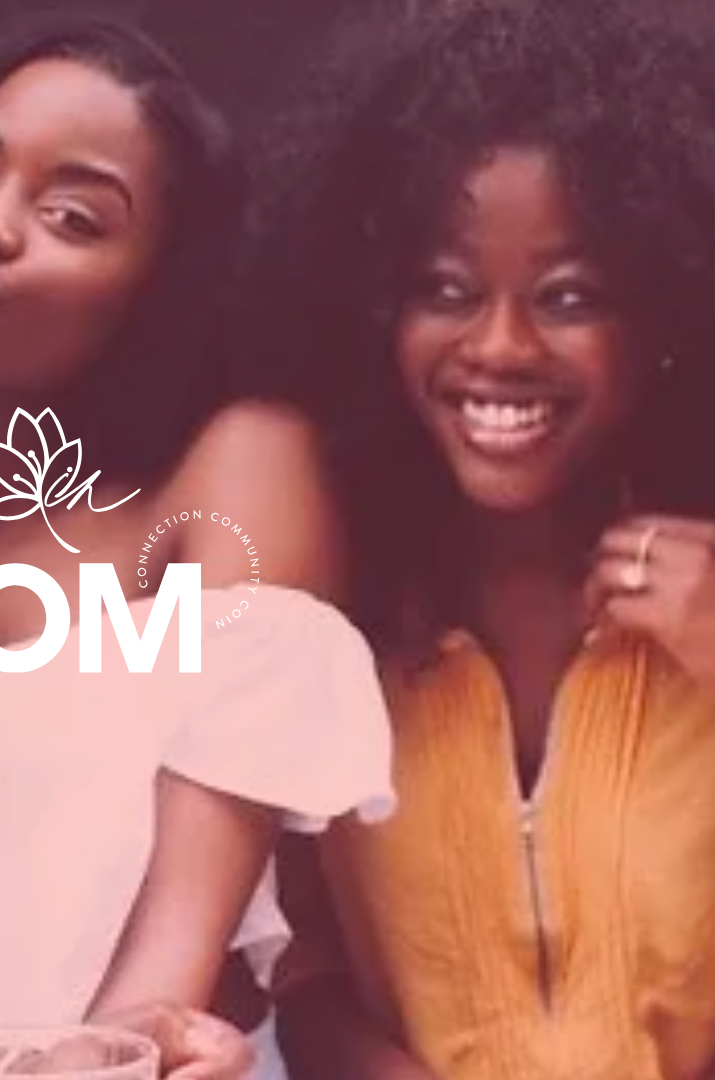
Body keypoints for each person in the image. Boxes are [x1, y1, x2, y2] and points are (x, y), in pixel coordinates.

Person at [0, 14, 395, 1080]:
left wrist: (94, 1061)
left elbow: (172, 960)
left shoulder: (231, 477)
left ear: (151, 292)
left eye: (71, 216)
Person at [232, 1, 715, 1077]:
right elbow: (293, 962)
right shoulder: (334, 616)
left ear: (673, 317)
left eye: (569, 296)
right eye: (443, 290)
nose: (498, 347)